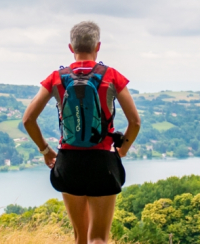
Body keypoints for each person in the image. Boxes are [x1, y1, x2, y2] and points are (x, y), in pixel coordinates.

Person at [22, 21, 142, 244]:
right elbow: (135, 122)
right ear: (98, 46)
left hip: (69, 162)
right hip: (103, 162)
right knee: (99, 238)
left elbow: (28, 119)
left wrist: (46, 150)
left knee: (80, 238)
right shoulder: (112, 76)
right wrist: (122, 149)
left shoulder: (56, 78)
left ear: (71, 48)